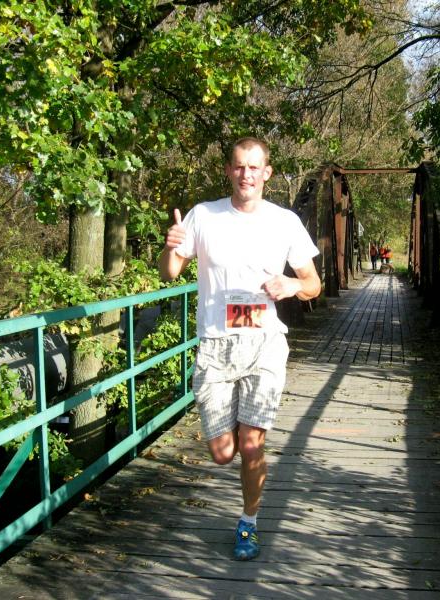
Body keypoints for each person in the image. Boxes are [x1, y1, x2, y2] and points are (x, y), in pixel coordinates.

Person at [158, 137, 321, 561]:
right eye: (239, 166)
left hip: (264, 343)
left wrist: (292, 285)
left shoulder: (284, 222)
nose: (246, 174)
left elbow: (313, 284)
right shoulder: (203, 215)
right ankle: (232, 434)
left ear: (267, 173)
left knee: (251, 444)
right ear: (229, 171)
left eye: (254, 167)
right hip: (215, 345)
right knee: (222, 453)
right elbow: (169, 273)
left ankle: (249, 522)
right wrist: (172, 245)